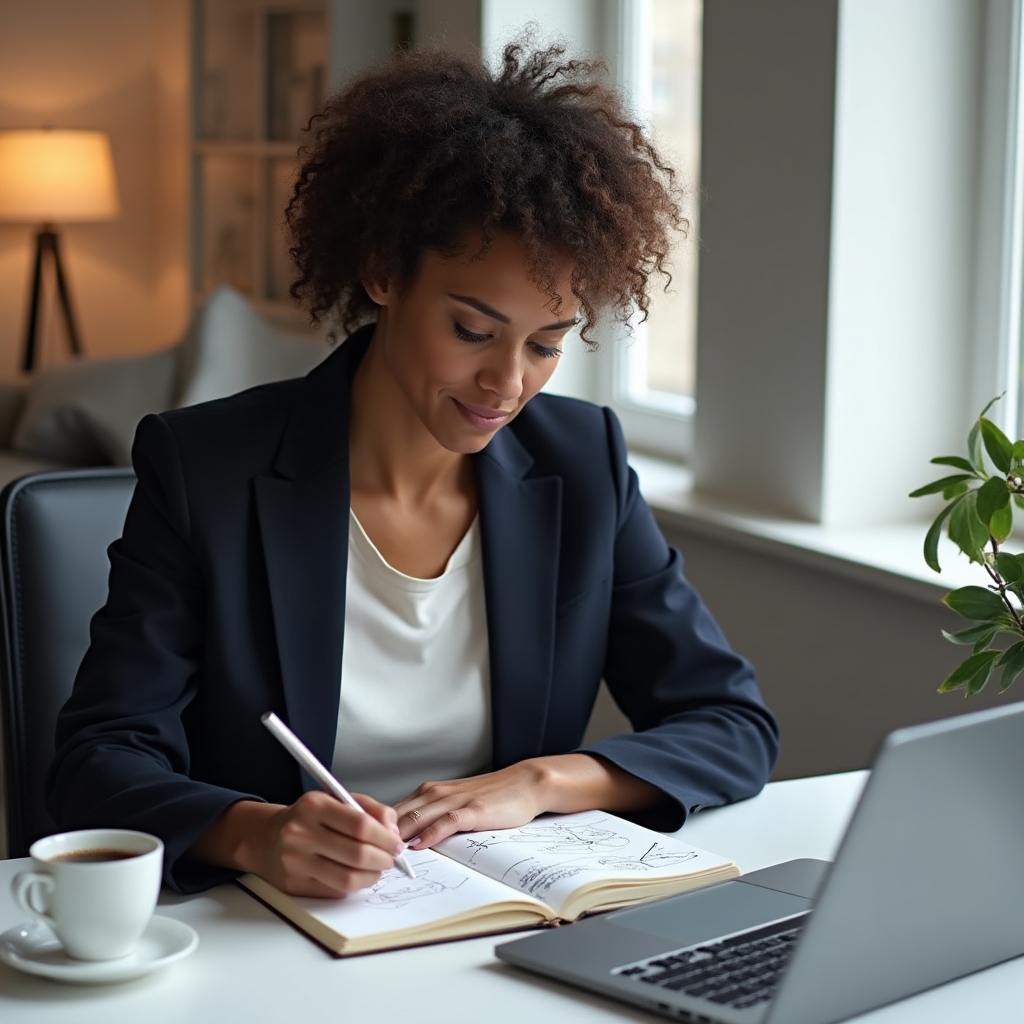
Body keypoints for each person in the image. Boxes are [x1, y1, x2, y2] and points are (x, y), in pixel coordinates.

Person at [46, 42, 779, 897]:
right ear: (385, 273)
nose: (508, 385)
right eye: (473, 331)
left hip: (485, 923)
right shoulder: (206, 467)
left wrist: (541, 782)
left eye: (546, 345)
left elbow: (730, 724)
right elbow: (96, 762)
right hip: (269, 929)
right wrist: (258, 834)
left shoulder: (583, 465)